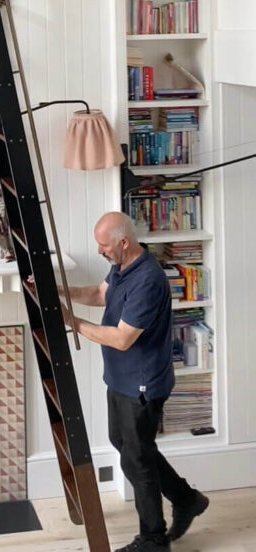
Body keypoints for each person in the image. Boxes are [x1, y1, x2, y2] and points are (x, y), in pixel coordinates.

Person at [64, 211, 209, 552]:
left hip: (142, 384)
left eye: (104, 245)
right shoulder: (121, 266)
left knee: (137, 460)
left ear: (123, 242)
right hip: (120, 378)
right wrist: (57, 291)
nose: (100, 251)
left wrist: (73, 323)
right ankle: (186, 499)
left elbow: (122, 339)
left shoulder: (148, 280)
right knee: (128, 446)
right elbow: (99, 294)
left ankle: (153, 539)